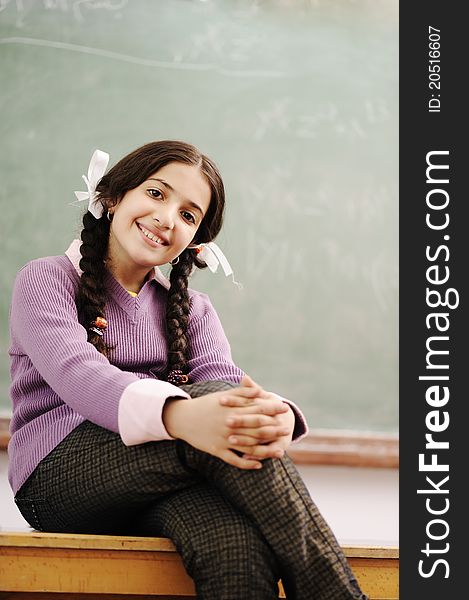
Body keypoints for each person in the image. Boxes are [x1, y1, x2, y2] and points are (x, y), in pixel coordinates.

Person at [8, 141, 367, 600]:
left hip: (158, 481)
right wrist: (183, 415)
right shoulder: (47, 279)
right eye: (157, 194)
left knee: (236, 548)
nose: (167, 217)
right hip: (56, 481)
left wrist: (274, 415)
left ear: (195, 240)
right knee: (218, 405)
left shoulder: (194, 309)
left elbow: (225, 385)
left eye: (188, 214)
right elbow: (79, 375)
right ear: (114, 195)